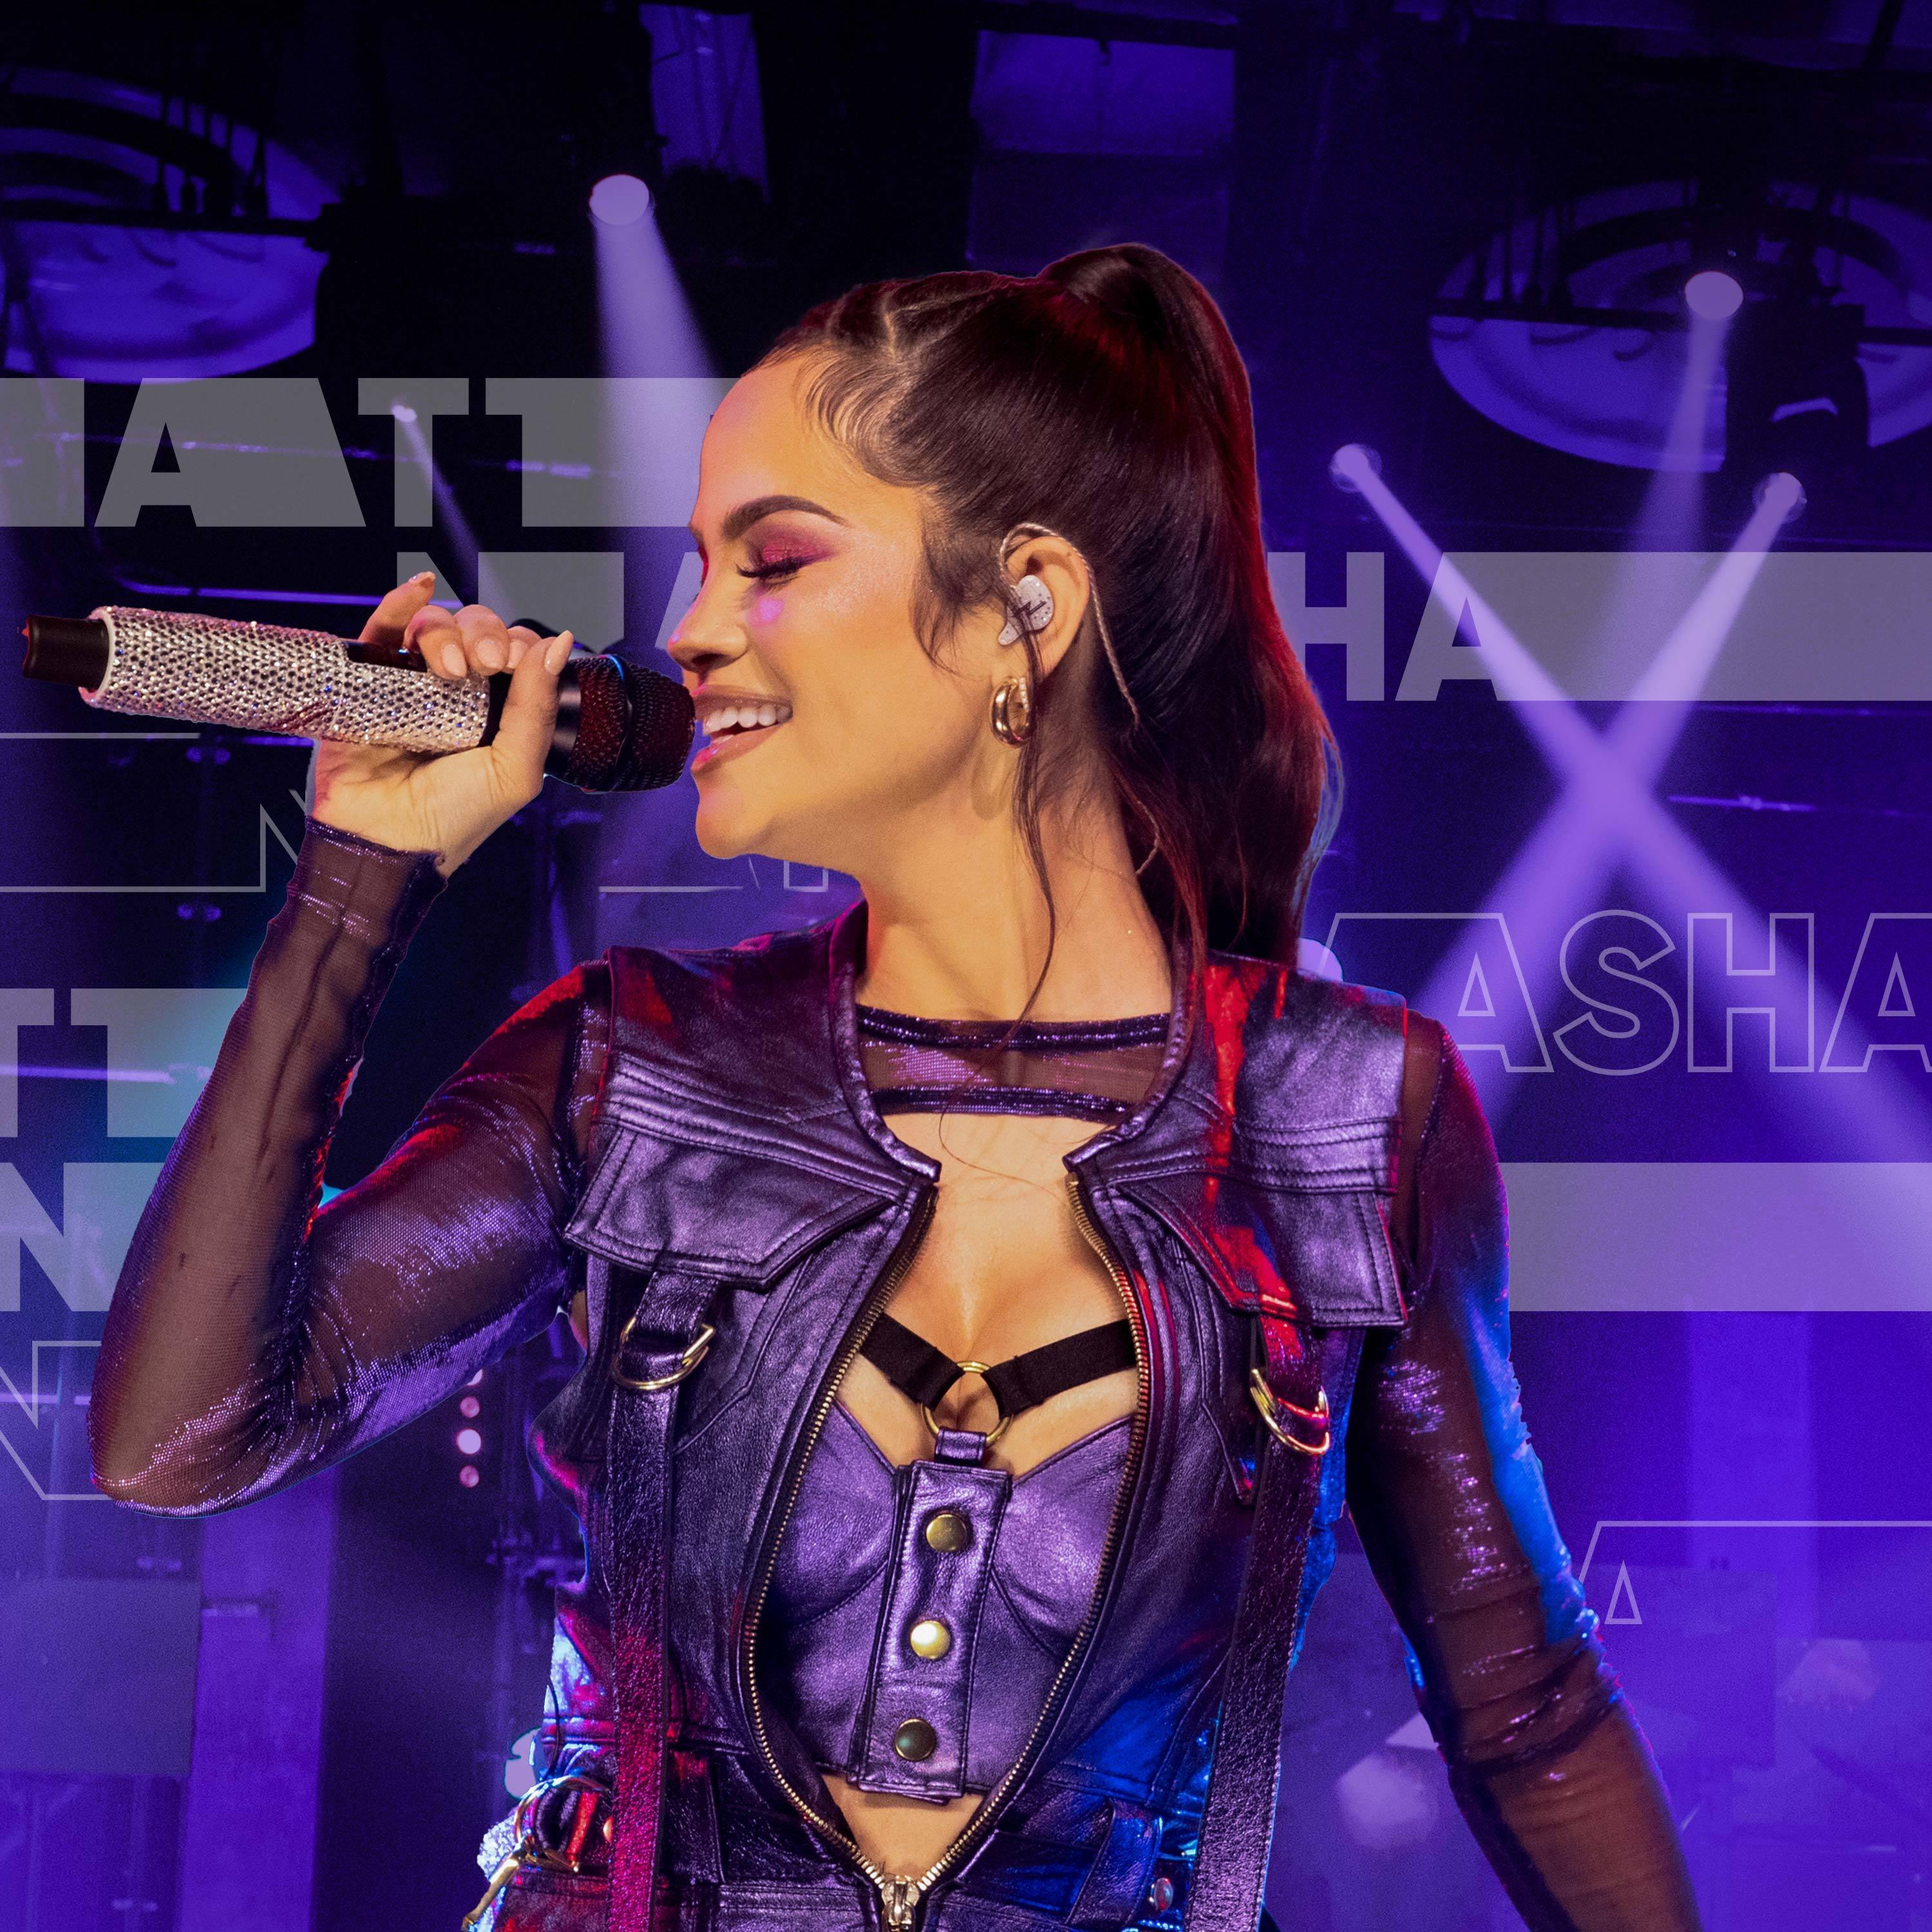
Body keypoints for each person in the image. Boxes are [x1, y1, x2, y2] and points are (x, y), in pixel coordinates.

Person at [88, 246, 1701, 1932]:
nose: (689, 629)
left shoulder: (1352, 1119)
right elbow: (178, 1438)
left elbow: (1531, 1713)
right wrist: (358, 878)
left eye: (773, 561)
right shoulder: (630, 1064)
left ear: (1027, 603)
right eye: (700, 563)